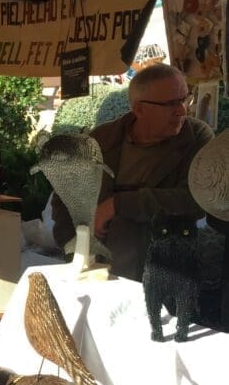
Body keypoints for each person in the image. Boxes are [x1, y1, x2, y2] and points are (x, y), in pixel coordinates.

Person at [52, 63, 213, 280]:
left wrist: (117, 205)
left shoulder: (196, 137)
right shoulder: (101, 140)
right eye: (171, 104)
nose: (182, 110)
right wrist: (73, 250)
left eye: (185, 99)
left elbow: (196, 199)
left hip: (166, 274)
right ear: (140, 110)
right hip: (98, 274)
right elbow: (64, 198)